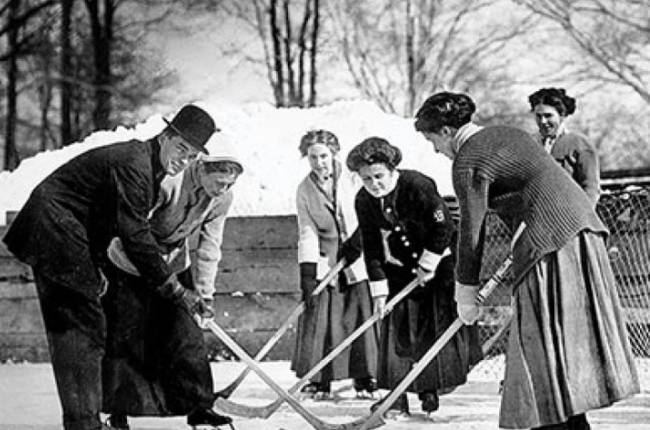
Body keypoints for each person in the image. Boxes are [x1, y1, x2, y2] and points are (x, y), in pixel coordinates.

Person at [414, 91, 639, 430]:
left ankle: (556, 424)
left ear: (446, 131)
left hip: (550, 241)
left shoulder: (468, 159)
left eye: (433, 140)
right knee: (560, 338)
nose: (435, 150)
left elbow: (471, 233)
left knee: (538, 343)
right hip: (584, 232)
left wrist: (465, 293)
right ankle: (573, 424)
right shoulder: (508, 133)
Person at [2, 104, 217, 430]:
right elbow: (135, 236)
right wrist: (174, 289)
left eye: (190, 157)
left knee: (88, 326)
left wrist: (98, 265)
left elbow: (107, 220)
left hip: (71, 235)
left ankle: (84, 421)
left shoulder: (148, 167)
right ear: (166, 136)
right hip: (54, 230)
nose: (182, 161)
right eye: (181, 149)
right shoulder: (136, 165)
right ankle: (84, 424)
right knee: (79, 327)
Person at [102, 153, 243, 430]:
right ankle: (116, 413)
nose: (223, 190)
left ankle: (200, 407)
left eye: (229, 184)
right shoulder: (168, 183)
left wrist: (205, 293)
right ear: (201, 169)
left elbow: (210, 245)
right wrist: (157, 274)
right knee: (126, 336)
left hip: (174, 263)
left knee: (187, 335)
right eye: (219, 182)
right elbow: (133, 229)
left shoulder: (222, 198)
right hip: (131, 262)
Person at [346, 137, 482, 417]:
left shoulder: (417, 185)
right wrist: (379, 290)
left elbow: (442, 229)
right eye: (367, 179)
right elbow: (371, 247)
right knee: (397, 333)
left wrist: (428, 263)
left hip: (438, 261)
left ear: (393, 170)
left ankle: (428, 390)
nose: (374, 184)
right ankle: (395, 397)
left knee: (430, 330)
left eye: (379, 176)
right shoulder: (363, 200)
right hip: (399, 268)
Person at [291, 129, 379, 400]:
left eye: (324, 156)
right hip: (329, 261)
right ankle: (320, 378)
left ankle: (365, 377)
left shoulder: (354, 178)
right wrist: (308, 274)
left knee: (359, 314)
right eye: (313, 157)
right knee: (324, 319)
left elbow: (373, 208)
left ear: (334, 154)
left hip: (360, 256)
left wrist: (358, 241)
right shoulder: (304, 190)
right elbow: (307, 231)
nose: (319, 163)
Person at [528, 87, 600, 206]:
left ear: (562, 115)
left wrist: (581, 219)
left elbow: (591, 188)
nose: (543, 121)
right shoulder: (529, 143)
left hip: (569, 215)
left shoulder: (580, 144)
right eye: (538, 116)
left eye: (548, 116)